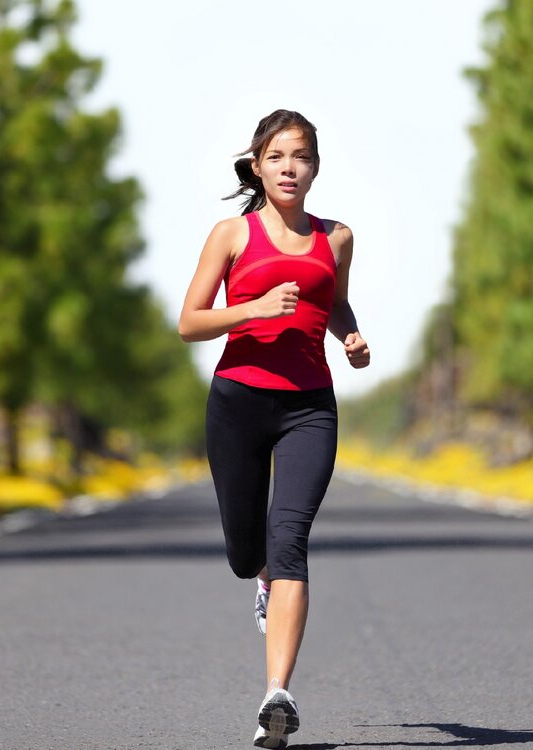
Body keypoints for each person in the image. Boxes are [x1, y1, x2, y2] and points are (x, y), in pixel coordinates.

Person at [178, 109, 370, 749]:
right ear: (258, 165)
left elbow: (332, 296)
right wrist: (253, 309)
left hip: (309, 406)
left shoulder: (335, 236)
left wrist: (349, 333)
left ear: (316, 166)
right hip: (237, 401)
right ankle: (258, 580)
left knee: (290, 538)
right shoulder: (232, 234)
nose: (292, 168)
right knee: (245, 552)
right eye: (279, 157)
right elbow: (190, 322)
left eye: (304, 157)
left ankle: (276, 696)